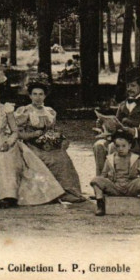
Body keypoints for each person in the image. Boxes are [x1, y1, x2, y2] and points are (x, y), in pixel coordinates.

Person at [0, 67, 64, 207]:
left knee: (7, 156)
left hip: (5, 140)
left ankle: (9, 196)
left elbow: (14, 131)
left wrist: (8, 142)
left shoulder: (6, 109)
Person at [14, 74, 86, 203]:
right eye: (34, 94)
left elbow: (53, 130)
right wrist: (32, 135)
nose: (37, 97)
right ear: (29, 96)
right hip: (31, 145)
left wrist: (61, 139)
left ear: (45, 96)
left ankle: (69, 192)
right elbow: (17, 133)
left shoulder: (50, 111)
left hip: (49, 144)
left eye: (41, 94)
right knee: (45, 158)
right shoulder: (24, 111)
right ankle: (49, 194)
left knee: (62, 157)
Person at [93, 67, 140, 176]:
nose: (129, 89)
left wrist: (133, 131)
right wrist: (104, 127)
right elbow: (116, 124)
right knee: (99, 145)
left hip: (139, 143)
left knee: (113, 147)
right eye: (128, 86)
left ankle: (116, 182)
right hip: (120, 140)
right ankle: (102, 180)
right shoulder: (122, 105)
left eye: (133, 85)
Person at [90, 130, 140, 218]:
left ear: (129, 146)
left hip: (130, 186)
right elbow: (103, 175)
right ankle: (100, 206)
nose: (120, 149)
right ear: (114, 147)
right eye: (117, 146)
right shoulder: (110, 159)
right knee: (96, 180)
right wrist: (104, 184)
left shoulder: (135, 158)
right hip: (115, 186)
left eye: (124, 146)